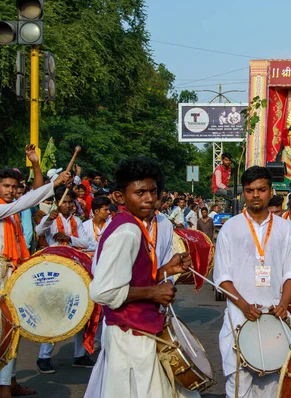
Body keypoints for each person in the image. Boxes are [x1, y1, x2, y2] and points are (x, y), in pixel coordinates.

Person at [85, 157, 194, 398]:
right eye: (140, 192)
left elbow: (131, 279)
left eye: (153, 191)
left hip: (136, 329)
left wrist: (166, 270)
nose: (149, 198)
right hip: (130, 333)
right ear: (119, 197)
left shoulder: (133, 224)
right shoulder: (128, 231)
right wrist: (154, 292)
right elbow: (102, 291)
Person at [213, 166, 291, 398]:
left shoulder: (285, 229)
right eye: (250, 191)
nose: (255, 195)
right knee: (238, 387)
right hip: (239, 319)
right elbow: (222, 278)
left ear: (271, 191)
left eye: (261, 189)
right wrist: (243, 306)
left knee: (272, 388)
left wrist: (283, 304)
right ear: (243, 193)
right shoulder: (230, 228)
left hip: (274, 318)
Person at [0, 145, 68, 398]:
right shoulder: (5, 210)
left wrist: (36, 165)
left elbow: (32, 197)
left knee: (14, 330)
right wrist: (54, 184)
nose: (10, 191)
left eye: (13, 187)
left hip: (14, 276)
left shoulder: (15, 209)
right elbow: (30, 199)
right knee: (5, 332)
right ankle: (5, 386)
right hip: (2, 279)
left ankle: (10, 382)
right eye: (5, 186)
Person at [35, 188, 93, 374]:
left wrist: (70, 238)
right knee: (53, 310)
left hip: (75, 269)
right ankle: (44, 357)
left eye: (70, 202)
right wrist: (49, 219)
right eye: (64, 202)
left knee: (80, 308)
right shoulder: (51, 219)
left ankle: (79, 354)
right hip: (55, 271)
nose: (67, 205)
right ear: (57, 202)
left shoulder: (77, 221)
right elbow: (39, 230)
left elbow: (88, 243)